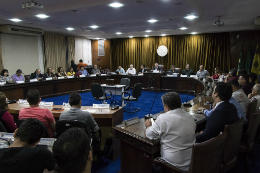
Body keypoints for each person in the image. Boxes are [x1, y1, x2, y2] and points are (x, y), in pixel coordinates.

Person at [145, 92, 195, 171]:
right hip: (190, 164)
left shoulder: (163, 118)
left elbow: (149, 134)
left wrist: (148, 125)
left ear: (166, 107)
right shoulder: (190, 116)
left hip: (172, 167)